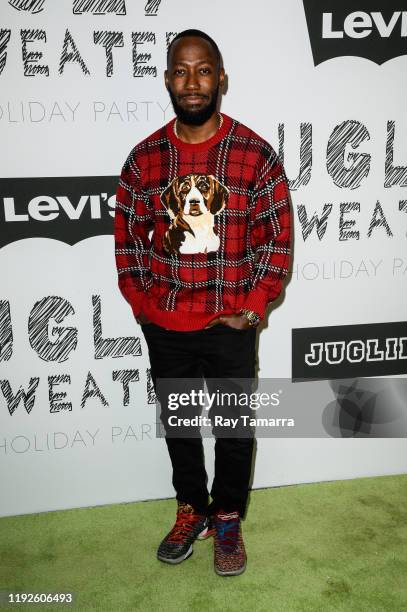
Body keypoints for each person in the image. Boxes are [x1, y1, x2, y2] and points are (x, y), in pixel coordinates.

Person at [114, 28, 291, 576]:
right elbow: (127, 239)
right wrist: (143, 304)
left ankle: (229, 517)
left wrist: (254, 306)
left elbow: (276, 238)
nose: (193, 82)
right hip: (165, 323)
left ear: (221, 79)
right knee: (181, 427)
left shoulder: (255, 155)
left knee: (235, 429)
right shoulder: (144, 160)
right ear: (168, 79)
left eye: (204, 69)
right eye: (182, 71)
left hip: (231, 322)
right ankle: (192, 509)